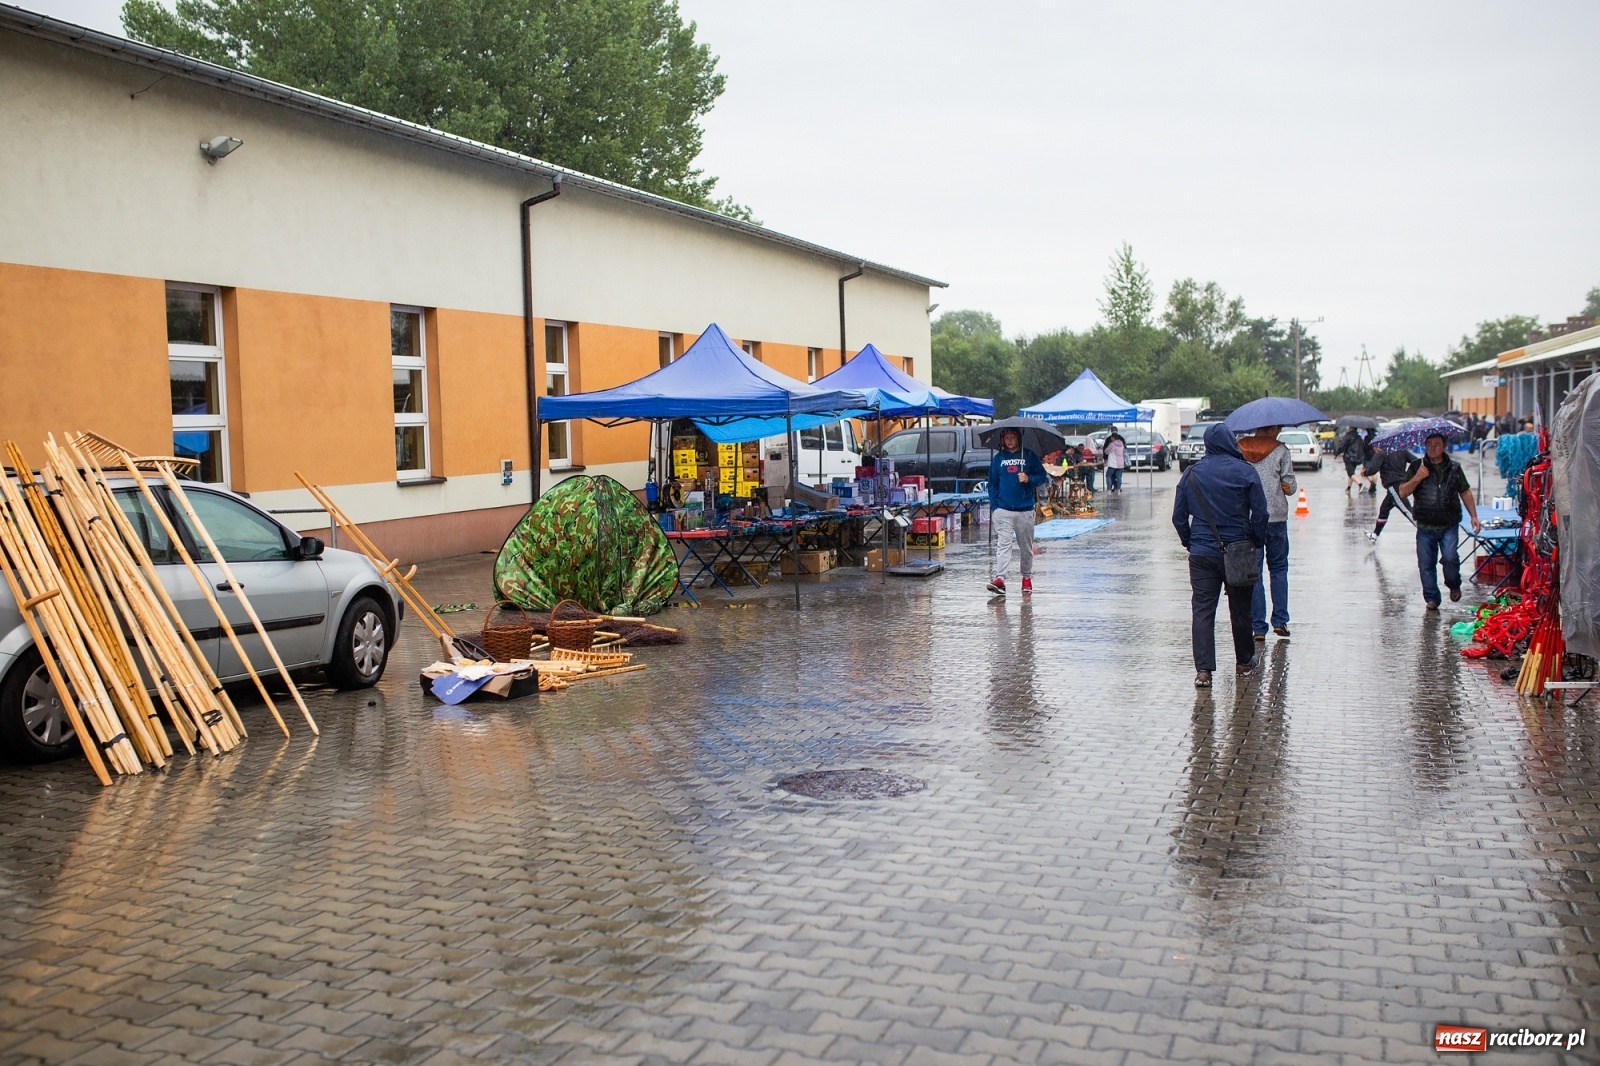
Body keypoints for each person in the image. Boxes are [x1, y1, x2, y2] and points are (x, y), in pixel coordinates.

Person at [1173, 423, 1269, 687]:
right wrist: (1255, 541)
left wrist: (1189, 542)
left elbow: (1178, 516)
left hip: (1202, 553)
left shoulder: (1192, 474)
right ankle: (1244, 663)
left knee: (1203, 610)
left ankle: (1203, 671)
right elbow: (1261, 514)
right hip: (1239, 551)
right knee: (1240, 609)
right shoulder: (1245, 472)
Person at [1397, 430, 1481, 610]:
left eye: (1436, 445)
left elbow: (1465, 491)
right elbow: (1403, 492)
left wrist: (1474, 516)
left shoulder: (1455, 468)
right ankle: (1432, 598)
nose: (1432, 448)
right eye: (1429, 445)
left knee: (1450, 558)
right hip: (1425, 525)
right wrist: (1418, 477)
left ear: (1444, 446)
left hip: (1448, 524)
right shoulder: (1416, 467)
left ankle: (1453, 584)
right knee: (1426, 565)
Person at [1238, 425, 1295, 641]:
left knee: (1255, 573)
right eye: (1278, 427)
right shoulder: (1281, 450)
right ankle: (1280, 620)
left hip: (1250, 517)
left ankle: (1258, 628)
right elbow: (1289, 485)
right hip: (1277, 518)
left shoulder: (1240, 448)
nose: (1280, 430)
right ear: (1271, 428)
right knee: (1279, 568)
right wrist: (1284, 485)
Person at [987, 428, 1045, 595]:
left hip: (1025, 510)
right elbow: (992, 484)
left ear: (1019, 438)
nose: (1010, 440)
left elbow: (1041, 476)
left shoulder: (1028, 456)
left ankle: (1026, 577)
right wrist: (995, 507)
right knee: (1003, 544)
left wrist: (1029, 479)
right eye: (1007, 438)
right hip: (1003, 510)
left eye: (1013, 437)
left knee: (1025, 547)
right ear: (1002, 440)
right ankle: (1000, 579)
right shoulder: (998, 459)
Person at [1362, 444, 1418, 542]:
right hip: (1401, 484)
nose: (1374, 450)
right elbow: (1416, 461)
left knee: (1407, 511)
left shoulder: (1381, 454)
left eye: (1374, 447)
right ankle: (1375, 535)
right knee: (1384, 509)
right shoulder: (1402, 451)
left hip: (1394, 487)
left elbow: (1373, 470)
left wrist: (1365, 473)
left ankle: (1426, 530)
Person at [1334, 427, 1369, 492]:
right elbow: (1362, 447)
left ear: (1351, 429)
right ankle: (1348, 487)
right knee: (1351, 472)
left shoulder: (1347, 437)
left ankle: (1360, 485)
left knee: (1350, 473)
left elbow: (1341, 446)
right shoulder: (1359, 437)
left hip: (1349, 457)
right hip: (1357, 458)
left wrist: (1336, 453)